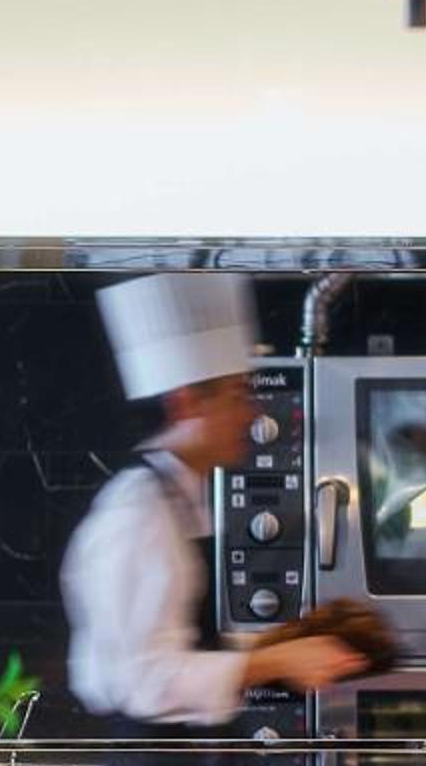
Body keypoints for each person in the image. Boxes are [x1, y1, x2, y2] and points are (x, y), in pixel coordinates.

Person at [61, 274, 374, 728]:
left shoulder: (178, 498)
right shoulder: (138, 512)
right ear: (188, 403)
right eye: (238, 395)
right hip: (155, 765)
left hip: (190, 759)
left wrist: (283, 645)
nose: (251, 414)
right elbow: (142, 681)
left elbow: (186, 645)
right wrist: (276, 660)